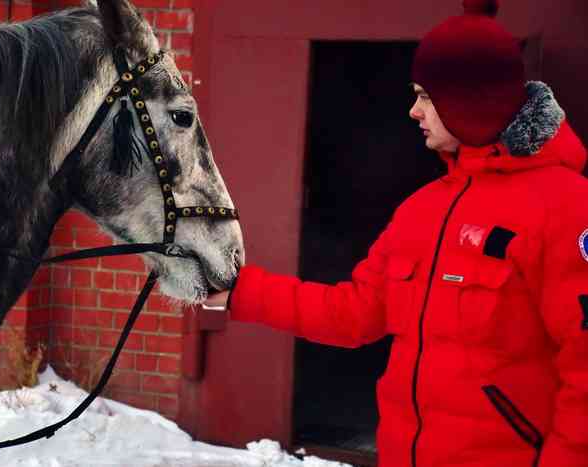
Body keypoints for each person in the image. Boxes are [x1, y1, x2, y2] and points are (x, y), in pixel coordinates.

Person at [203, 1, 588, 466]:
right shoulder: (422, 210)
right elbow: (354, 314)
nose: (413, 111)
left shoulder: (566, 206)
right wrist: (238, 291)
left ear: (469, 98)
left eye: (426, 95)